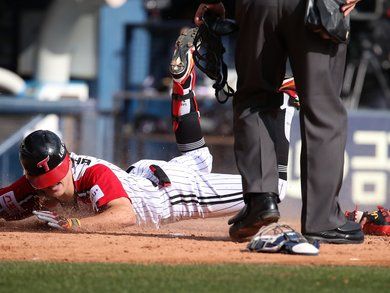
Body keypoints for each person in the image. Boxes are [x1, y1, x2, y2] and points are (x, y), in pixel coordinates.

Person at [0, 31, 297, 237]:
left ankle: (287, 102)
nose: (52, 187)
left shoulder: (94, 173)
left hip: (170, 196)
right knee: (199, 159)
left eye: (56, 180)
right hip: (146, 179)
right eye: (45, 183)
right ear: (32, 178)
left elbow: (124, 215)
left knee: (274, 190)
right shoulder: (34, 184)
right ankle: (182, 87)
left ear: (66, 164)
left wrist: (73, 224)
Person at [194, 0, 364, 243]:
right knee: (322, 110)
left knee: (254, 99)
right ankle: (323, 220)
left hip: (258, 6)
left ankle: (261, 200)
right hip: (317, 6)